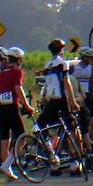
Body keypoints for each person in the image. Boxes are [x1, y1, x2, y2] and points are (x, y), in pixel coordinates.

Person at [36, 38, 82, 173]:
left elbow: (47, 85)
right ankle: (75, 162)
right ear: (61, 50)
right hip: (62, 100)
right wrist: (73, 102)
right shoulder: (63, 64)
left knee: (41, 128)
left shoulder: (47, 65)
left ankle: (53, 156)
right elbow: (66, 83)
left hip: (51, 101)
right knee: (72, 129)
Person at [0, 46, 36, 180]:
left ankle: (5, 165)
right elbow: (18, 89)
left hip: (2, 108)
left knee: (5, 139)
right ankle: (7, 165)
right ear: (19, 60)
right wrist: (27, 106)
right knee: (22, 138)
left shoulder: (1, 73)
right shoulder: (17, 72)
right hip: (12, 108)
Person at [70, 47, 93, 149]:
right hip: (78, 94)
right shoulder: (74, 67)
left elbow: (92, 82)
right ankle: (82, 138)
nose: (92, 60)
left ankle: (90, 136)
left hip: (87, 93)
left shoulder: (91, 68)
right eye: (90, 58)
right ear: (84, 57)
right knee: (80, 117)